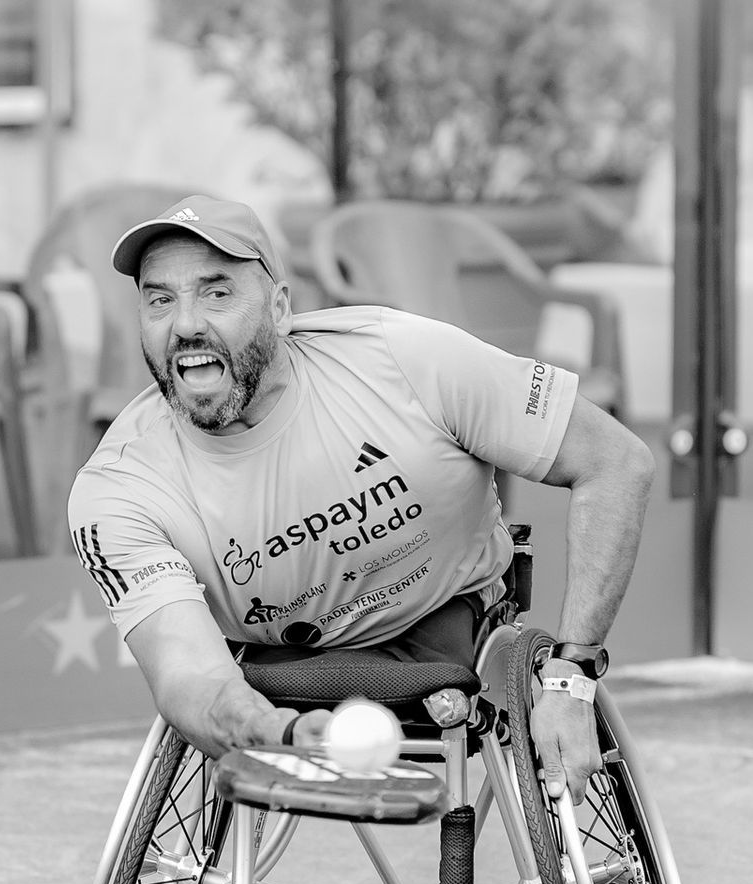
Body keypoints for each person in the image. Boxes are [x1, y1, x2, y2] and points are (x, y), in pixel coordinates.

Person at [65, 195, 655, 802]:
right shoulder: (120, 487)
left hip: (451, 619)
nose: (185, 324)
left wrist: (571, 679)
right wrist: (280, 732)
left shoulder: (404, 359)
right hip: (268, 663)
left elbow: (614, 463)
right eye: (160, 300)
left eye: (217, 293)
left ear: (279, 307)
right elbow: (189, 675)